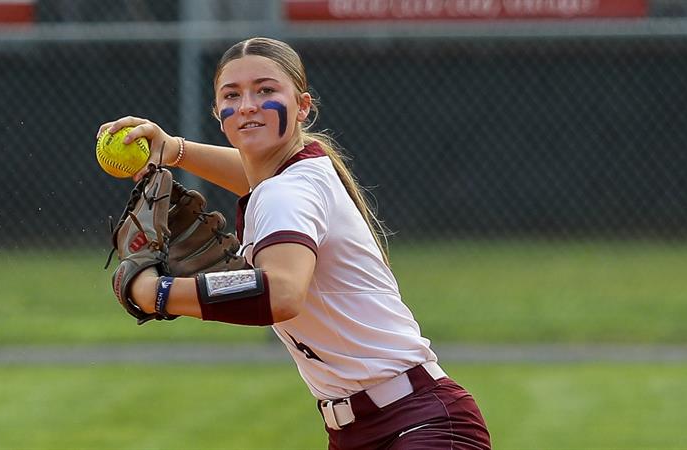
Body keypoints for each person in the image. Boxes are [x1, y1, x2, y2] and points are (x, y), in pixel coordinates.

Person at [97, 37, 490, 450]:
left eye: (266, 90)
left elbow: (282, 293)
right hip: (382, 426)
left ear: (302, 106)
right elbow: (257, 177)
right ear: (218, 114)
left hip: (417, 427)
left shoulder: (288, 191)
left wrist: (156, 293)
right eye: (232, 95)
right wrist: (174, 149)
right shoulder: (301, 170)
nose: (248, 104)